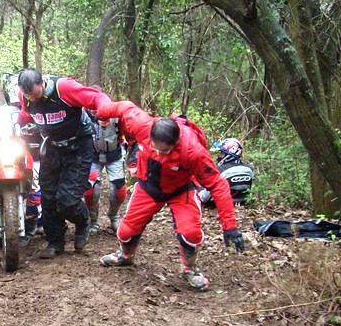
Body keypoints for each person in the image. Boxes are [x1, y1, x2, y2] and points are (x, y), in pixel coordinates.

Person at [96, 102, 245, 290]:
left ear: (175, 144)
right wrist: (102, 114)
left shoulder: (193, 152)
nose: (158, 153)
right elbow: (123, 107)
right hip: (148, 186)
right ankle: (125, 256)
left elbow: (218, 184)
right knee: (126, 231)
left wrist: (229, 226)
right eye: (154, 147)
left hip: (181, 190)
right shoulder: (141, 125)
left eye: (164, 150)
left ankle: (190, 268)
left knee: (190, 232)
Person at [17, 69, 111, 258]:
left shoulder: (64, 88)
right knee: (48, 196)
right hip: (52, 145)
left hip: (78, 145)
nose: (32, 99)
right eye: (28, 96)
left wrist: (106, 113)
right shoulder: (25, 97)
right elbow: (26, 115)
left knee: (67, 200)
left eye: (35, 94)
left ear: (43, 83)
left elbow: (97, 98)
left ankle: (83, 221)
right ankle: (55, 242)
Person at [83, 114, 128, 234]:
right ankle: (92, 221)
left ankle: (114, 216)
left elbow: (131, 136)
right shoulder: (83, 115)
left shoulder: (118, 117)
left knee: (119, 190)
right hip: (92, 156)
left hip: (115, 155)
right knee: (90, 190)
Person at [198, 137, 254, 206]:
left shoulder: (220, 170)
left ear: (230, 153)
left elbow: (204, 197)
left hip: (223, 207)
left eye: (222, 153)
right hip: (244, 204)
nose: (219, 156)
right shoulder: (249, 169)